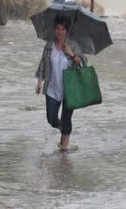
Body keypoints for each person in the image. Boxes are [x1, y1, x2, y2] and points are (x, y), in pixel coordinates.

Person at [35, 15, 86, 151]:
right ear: (54, 29)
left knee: (66, 117)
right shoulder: (49, 45)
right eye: (57, 28)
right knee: (51, 118)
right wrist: (40, 81)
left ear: (67, 30)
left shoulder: (73, 45)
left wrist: (72, 54)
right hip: (52, 87)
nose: (60, 32)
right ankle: (63, 130)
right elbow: (43, 64)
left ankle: (64, 149)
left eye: (63, 29)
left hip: (70, 88)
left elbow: (83, 63)